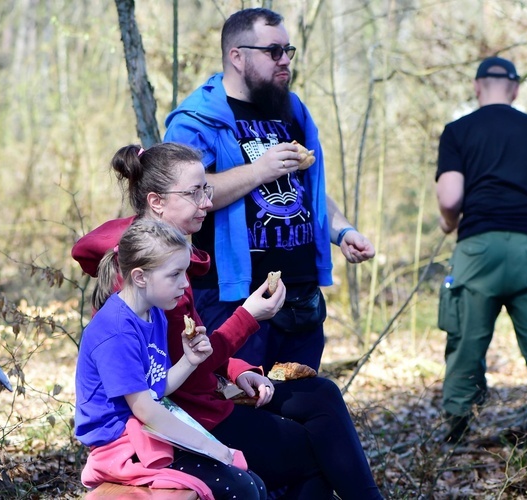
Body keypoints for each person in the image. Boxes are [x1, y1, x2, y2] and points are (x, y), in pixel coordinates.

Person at [72, 143, 383, 499]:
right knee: (313, 453)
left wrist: (235, 371)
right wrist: (248, 317)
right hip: (184, 415)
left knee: (321, 394)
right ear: (156, 202)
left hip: (195, 396)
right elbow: (170, 383)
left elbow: (193, 351)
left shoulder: (169, 264)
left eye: (206, 189)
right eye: (194, 192)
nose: (207, 201)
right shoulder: (146, 283)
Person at [163, 7, 375, 374]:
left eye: (288, 51)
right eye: (273, 51)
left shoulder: (291, 111)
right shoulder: (196, 119)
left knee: (301, 406)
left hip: (301, 298)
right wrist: (257, 171)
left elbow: (305, 188)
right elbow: (180, 194)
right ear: (237, 56)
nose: (285, 61)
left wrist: (343, 231)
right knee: (239, 411)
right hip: (234, 301)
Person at [75, 218, 266, 499]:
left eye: (185, 272)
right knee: (239, 488)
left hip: (147, 433)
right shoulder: (116, 331)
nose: (185, 283)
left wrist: (189, 361)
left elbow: (157, 389)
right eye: (175, 274)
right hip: (119, 447)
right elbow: (146, 410)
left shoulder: (154, 313)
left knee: (254, 484)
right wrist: (213, 447)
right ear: (140, 277)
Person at [435, 56, 527, 444]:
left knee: (465, 343)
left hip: (479, 252)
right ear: (515, 89)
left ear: (478, 87)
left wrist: (449, 222)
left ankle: (458, 432)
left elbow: (451, 196)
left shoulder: (458, 131)